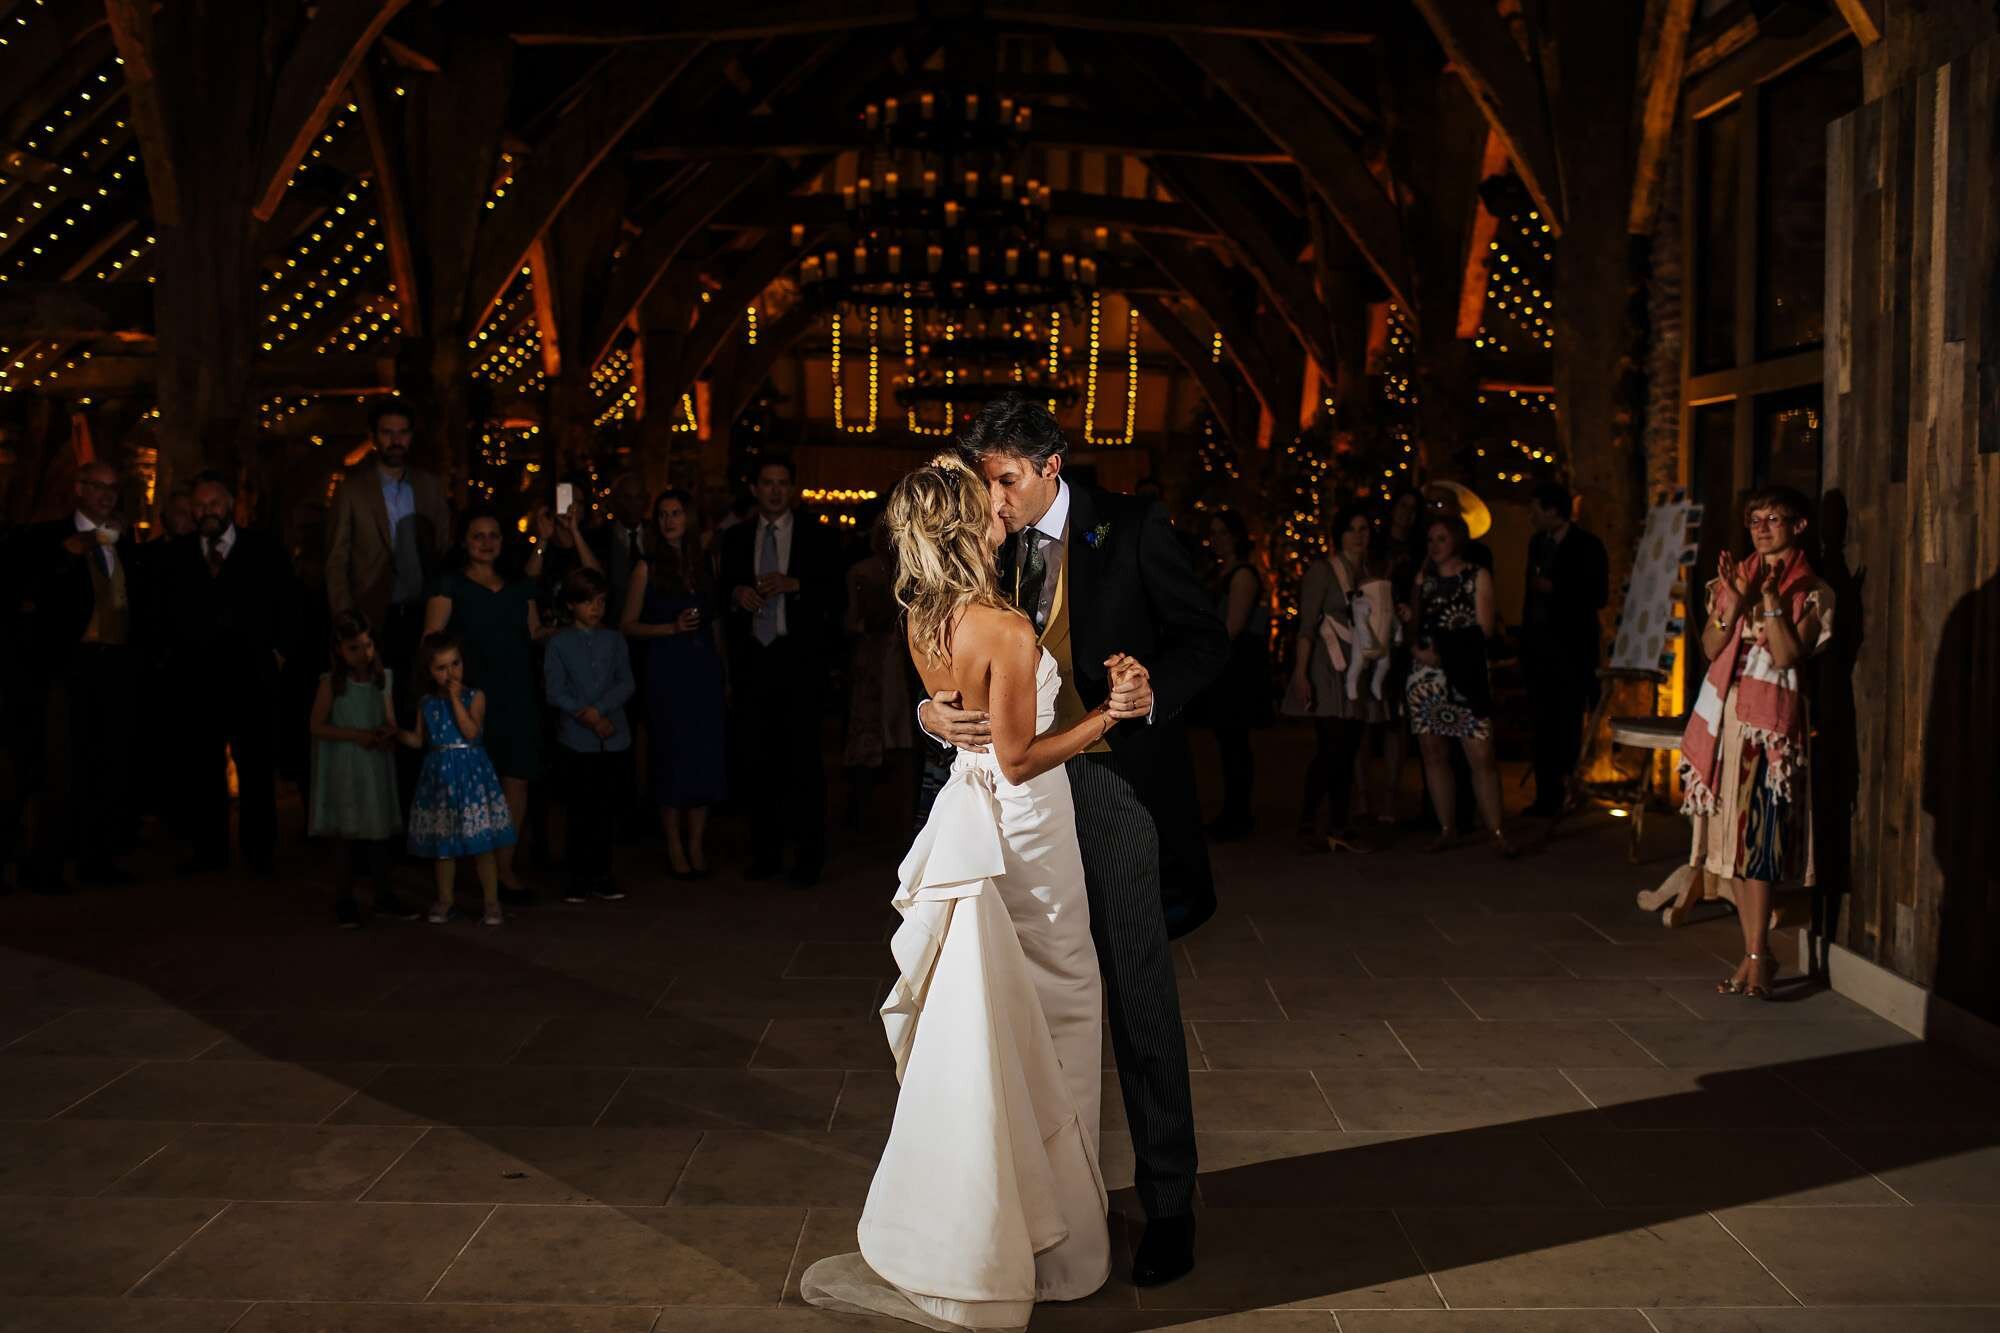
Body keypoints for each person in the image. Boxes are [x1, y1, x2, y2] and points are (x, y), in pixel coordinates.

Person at [800, 455, 1145, 1330]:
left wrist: (928, 717)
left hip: (969, 808)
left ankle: (1016, 1215)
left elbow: (952, 713)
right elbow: (1022, 758)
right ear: (969, 524)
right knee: (1062, 1006)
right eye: (986, 499)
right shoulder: (1006, 629)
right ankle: (1057, 1245)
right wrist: (1109, 715)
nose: (1002, 504)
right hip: (1026, 834)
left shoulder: (925, 613)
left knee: (1007, 1012)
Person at [919, 392, 1227, 1288]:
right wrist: (931, 709)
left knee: (1138, 1001)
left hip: (1113, 791)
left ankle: (1169, 1205)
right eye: (986, 483)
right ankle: (1046, 1204)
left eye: (1008, 480)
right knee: (1022, 1006)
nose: (996, 500)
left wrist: (1146, 692)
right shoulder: (983, 546)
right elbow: (944, 651)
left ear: (1051, 466)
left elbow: (1205, 641)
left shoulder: (1131, 528)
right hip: (1011, 805)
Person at [1683, 486, 1833, 999]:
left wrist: (1769, 600)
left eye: (1774, 518)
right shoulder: (1733, 579)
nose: (1763, 527)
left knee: (1760, 843)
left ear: (1799, 526)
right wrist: (1738, 599)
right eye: (1754, 519)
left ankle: (1757, 957)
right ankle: (1754, 955)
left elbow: (1790, 655)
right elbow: (1709, 645)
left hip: (1770, 731)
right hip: (1728, 720)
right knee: (1737, 844)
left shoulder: (1809, 588)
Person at [16, 460, 142, 891]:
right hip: (70, 664)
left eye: (112, 487)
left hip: (115, 664)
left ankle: (97, 860)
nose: (106, 495)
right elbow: (29, 593)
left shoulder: (124, 539)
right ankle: (45, 865)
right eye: (98, 487)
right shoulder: (50, 537)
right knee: (62, 766)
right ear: (80, 489)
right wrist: (69, 554)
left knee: (108, 764)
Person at [165, 471, 298, 876]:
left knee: (256, 768)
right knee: (203, 770)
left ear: (230, 507)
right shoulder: (179, 554)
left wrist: (279, 654)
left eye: (215, 504)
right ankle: (210, 852)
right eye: (200, 506)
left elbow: (288, 604)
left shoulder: (264, 549)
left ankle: (260, 853)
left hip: (252, 678)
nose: (207, 512)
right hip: (198, 681)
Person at [719, 456, 841, 886]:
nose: (774, 490)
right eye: (767, 483)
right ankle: (765, 854)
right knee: (757, 760)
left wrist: (797, 585)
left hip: (799, 661)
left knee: (803, 761)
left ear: (791, 489)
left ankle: (809, 858)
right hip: (754, 660)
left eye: (782, 483)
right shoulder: (734, 538)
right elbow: (718, 595)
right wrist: (737, 594)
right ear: (754, 488)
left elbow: (838, 593)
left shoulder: (817, 536)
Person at [424, 508, 545, 901]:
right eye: (478, 535)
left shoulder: (517, 585)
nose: (487, 542)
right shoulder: (450, 585)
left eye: (494, 534)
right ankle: (466, 873)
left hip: (517, 692)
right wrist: (450, 692)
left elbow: (534, 632)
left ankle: (504, 870)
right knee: (468, 785)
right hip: (470, 696)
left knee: (516, 779)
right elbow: (431, 641)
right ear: (464, 541)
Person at [624, 489, 728, 879]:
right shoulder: (646, 568)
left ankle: (697, 844)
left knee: (703, 758)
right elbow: (627, 624)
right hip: (667, 670)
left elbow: (716, 623)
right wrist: (669, 627)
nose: (669, 521)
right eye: (663, 514)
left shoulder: (703, 564)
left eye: (676, 513)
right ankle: (673, 845)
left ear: (688, 519)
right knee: (671, 758)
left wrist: (723, 671)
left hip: (702, 668)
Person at [1403, 513, 1513, 856]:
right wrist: (1416, 646)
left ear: (1457, 541)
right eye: (1430, 539)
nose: (1434, 546)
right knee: (1433, 753)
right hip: (1425, 674)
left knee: (1479, 752)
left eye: (1442, 538)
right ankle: (1446, 827)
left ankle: (1496, 830)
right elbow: (1412, 626)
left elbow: (1484, 629)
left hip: (1464, 672)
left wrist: (1446, 652)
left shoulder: (1476, 576)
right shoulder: (1424, 579)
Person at [326, 397, 451, 697]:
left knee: (420, 697)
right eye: (387, 433)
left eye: (403, 432)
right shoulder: (352, 490)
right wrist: (346, 621)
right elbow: (337, 558)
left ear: (411, 436)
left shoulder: (429, 486)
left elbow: (444, 548)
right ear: (373, 438)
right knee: (375, 701)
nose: (396, 440)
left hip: (423, 610)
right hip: (371, 614)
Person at [1286, 504, 1389, 855]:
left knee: (1348, 747)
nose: (1360, 536)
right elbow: (1306, 626)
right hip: (1328, 665)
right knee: (1332, 746)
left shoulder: (1370, 573)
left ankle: (1338, 824)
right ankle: (1315, 817)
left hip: (1358, 666)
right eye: (1352, 529)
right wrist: (1300, 673)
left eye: (1364, 529)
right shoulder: (1323, 571)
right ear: (1340, 534)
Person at [308, 611, 413, 927]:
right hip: (347, 766)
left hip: (375, 765)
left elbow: (390, 718)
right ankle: (344, 899)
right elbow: (316, 726)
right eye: (354, 647)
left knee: (379, 832)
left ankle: (385, 895)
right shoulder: (331, 684)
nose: (363, 653)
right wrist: (358, 736)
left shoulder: (384, 678)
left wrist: (387, 733)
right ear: (339, 649)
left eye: (367, 645)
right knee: (346, 835)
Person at [401, 633, 514, 926]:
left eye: (456, 664)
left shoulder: (475, 696)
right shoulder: (425, 702)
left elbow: (471, 732)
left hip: (471, 774)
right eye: (441, 668)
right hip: (440, 778)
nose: (451, 673)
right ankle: (445, 900)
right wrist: (396, 734)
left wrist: (454, 698)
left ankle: (492, 901)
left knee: (481, 844)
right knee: (444, 844)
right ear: (428, 671)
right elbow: (418, 740)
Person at [545, 567, 635, 904]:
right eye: (587, 602)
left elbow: (626, 682)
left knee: (605, 809)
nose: (595, 609)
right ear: (571, 605)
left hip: (613, 737)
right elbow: (555, 691)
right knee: (580, 810)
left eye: (600, 602)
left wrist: (601, 710)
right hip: (577, 740)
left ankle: (603, 873)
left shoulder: (614, 639)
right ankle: (578, 876)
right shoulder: (559, 643)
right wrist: (589, 715)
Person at [1520, 481, 1610, 816]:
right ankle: (1544, 796)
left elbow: (1597, 595)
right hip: (1539, 650)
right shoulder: (1536, 544)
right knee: (1541, 724)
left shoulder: (1587, 546)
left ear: (1553, 511)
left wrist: (1555, 588)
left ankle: (1564, 793)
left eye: (1535, 510)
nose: (1531, 516)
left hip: (1571, 652)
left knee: (1567, 725)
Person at [1196, 508, 1267, 841]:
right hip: (1226, 665)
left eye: (1224, 532)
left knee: (1235, 743)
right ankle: (1234, 810)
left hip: (1237, 667)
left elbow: (1233, 627)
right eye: (1214, 532)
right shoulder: (1219, 572)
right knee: (1228, 743)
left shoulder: (1242, 576)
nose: (1218, 539)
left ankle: (1239, 813)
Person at [843, 514, 915, 828]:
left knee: (877, 733)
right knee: (894, 735)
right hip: (887, 657)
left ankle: (866, 815)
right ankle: (901, 817)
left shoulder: (866, 571)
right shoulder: (906, 573)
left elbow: (850, 622)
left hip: (888, 657)